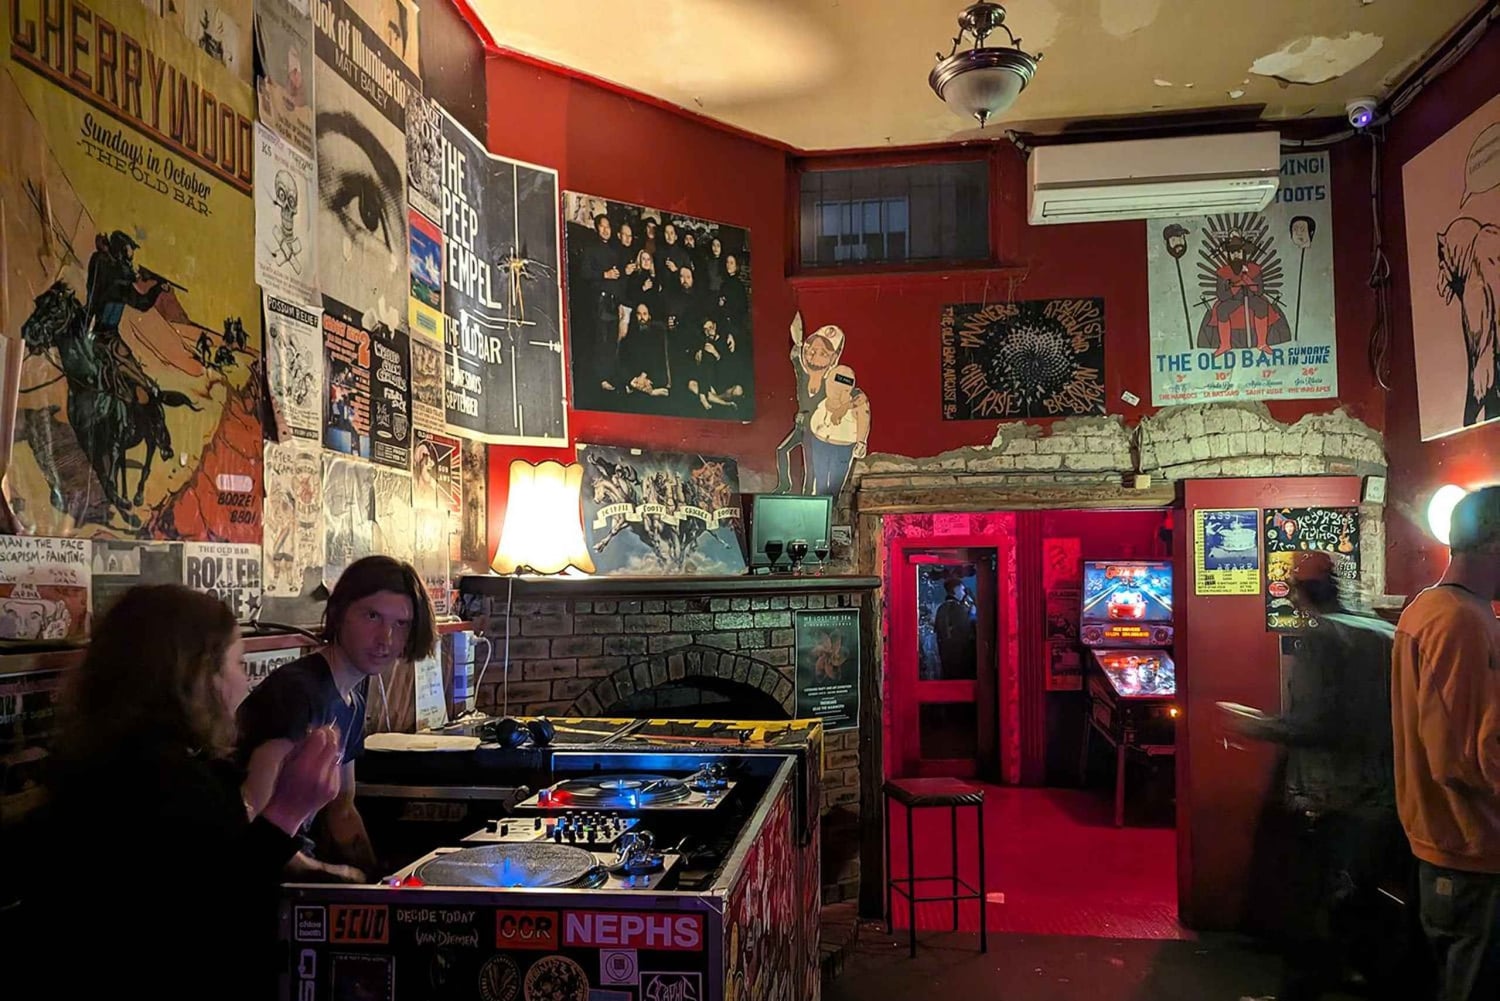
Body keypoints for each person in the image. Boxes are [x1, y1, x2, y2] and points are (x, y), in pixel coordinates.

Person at [26, 586, 342, 1000]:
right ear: (201, 676)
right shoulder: (165, 781)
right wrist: (287, 811)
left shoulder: (96, 758)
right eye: (237, 663)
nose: (244, 683)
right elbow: (217, 922)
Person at [1228, 551, 1402, 1001]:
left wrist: (1255, 724)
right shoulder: (1387, 633)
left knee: (1314, 905)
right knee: (1359, 897)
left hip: (1331, 795)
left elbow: (1314, 725)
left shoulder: (1324, 638)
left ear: (1303, 594)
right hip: (1388, 792)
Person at [238, 555, 436, 882]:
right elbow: (255, 821)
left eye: (401, 624)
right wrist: (333, 874)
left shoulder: (352, 699)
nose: (385, 639)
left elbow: (342, 810)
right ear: (339, 613)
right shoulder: (297, 692)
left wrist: (378, 881)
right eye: (372, 616)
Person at [1392, 486, 1500, 1001]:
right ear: (1494, 544)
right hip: (1472, 848)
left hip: (1447, 846)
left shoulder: (1430, 609)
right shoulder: (1459, 620)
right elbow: (1459, 758)